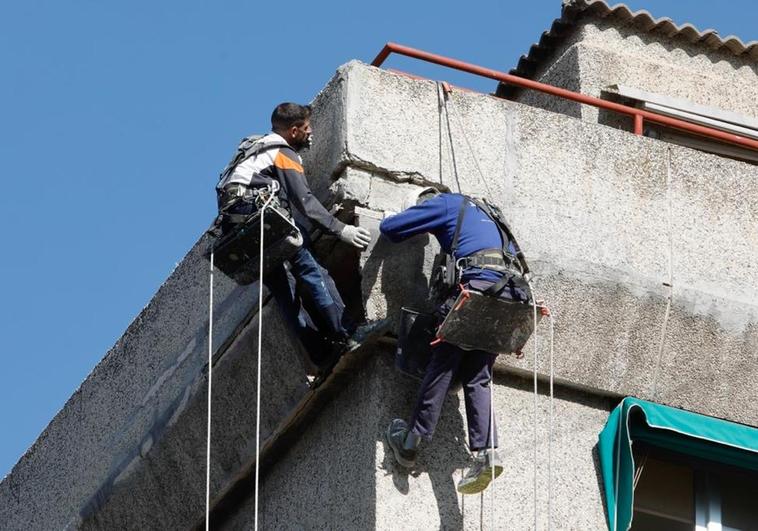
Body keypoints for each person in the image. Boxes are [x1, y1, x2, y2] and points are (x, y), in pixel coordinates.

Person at [380, 188, 529, 495]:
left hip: (480, 289)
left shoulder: (445, 204)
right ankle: (487, 454)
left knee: (443, 364)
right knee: (479, 375)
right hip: (515, 294)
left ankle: (409, 445)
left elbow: (391, 229)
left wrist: (398, 215)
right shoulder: (490, 214)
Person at [216, 102, 372, 369]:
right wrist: (340, 228)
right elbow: (305, 201)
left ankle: (320, 353)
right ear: (294, 130)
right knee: (311, 269)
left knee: (284, 291)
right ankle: (348, 333)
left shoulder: (254, 149)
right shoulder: (282, 151)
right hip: (261, 216)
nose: (310, 134)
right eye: (307, 128)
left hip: (238, 228)